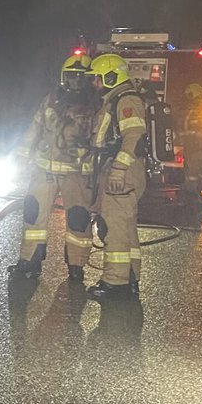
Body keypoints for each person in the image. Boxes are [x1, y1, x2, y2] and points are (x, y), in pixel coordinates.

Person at [8, 54, 98, 282]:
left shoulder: (96, 105)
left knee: (78, 219)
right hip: (44, 170)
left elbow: (102, 138)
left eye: (79, 77)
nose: (74, 82)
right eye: (70, 77)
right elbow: (34, 128)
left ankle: (77, 266)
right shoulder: (51, 99)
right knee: (33, 214)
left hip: (76, 172)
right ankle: (29, 261)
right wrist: (21, 155)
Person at [86, 53, 146, 300]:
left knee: (114, 226)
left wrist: (119, 169)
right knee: (126, 228)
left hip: (124, 173)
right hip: (122, 170)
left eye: (98, 79)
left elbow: (134, 136)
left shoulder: (125, 99)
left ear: (111, 77)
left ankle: (115, 282)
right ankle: (130, 277)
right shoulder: (116, 99)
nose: (95, 84)